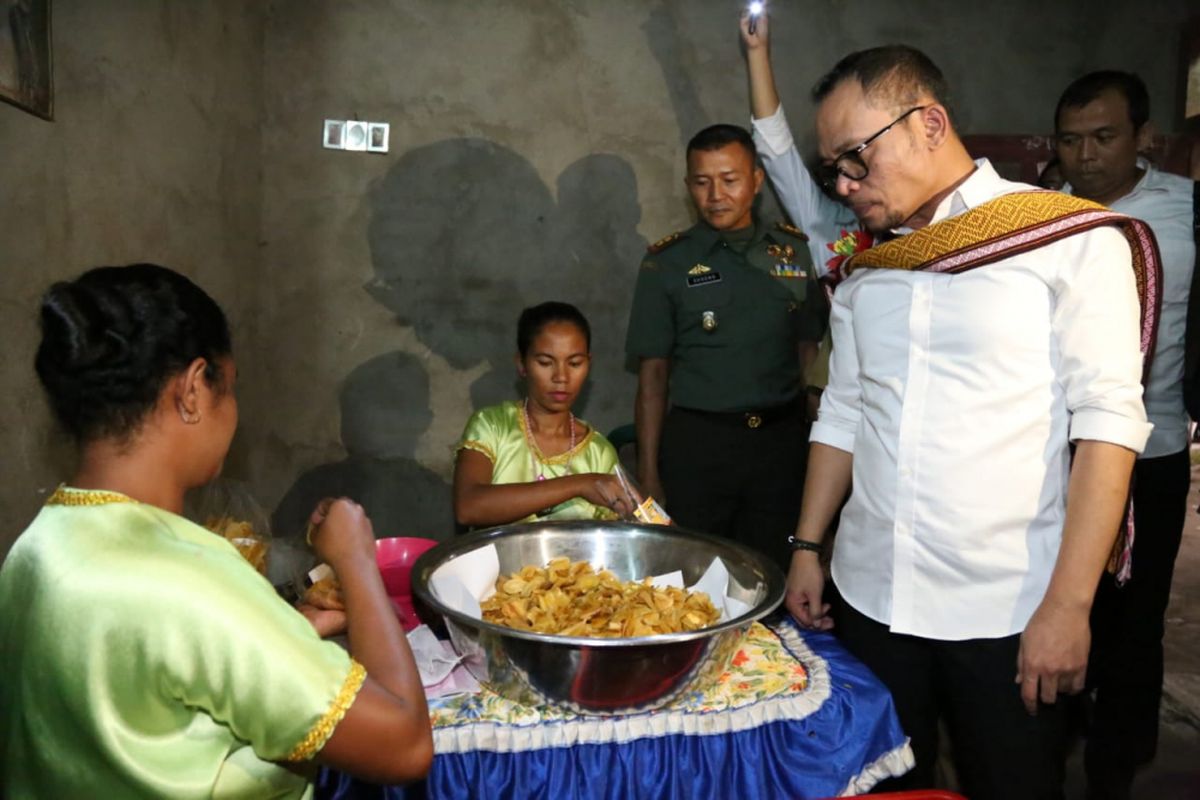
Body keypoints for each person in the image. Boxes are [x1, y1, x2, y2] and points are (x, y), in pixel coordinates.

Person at [782, 47, 1159, 799]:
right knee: (883, 789)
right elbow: (845, 413)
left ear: (929, 123)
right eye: (832, 171)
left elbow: (1109, 427)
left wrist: (1069, 607)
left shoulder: (1066, 241)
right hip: (871, 600)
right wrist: (806, 548)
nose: (846, 185)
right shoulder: (868, 274)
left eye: (856, 159)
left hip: (1008, 611)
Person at [0, 264, 432, 797]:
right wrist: (357, 561)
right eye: (228, 389)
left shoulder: (34, 548)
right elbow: (405, 745)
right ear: (193, 390)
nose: (232, 413)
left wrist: (287, 631)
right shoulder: (194, 575)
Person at [1054, 70, 1196, 800]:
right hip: (1066, 453)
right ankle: (1068, 724)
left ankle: (1119, 762)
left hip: (1156, 450)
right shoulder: (1044, 219)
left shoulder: (1187, 212)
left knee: (1137, 619)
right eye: (1072, 140)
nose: (1086, 156)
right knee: (1068, 597)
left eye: (1104, 137)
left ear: (1144, 139)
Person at [624, 123, 826, 571]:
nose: (715, 194)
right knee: (693, 577)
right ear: (687, 186)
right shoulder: (667, 263)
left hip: (779, 446)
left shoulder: (793, 253)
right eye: (702, 181)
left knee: (772, 573)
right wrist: (650, 471)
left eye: (730, 179)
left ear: (755, 181)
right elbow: (653, 377)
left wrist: (817, 448)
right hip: (700, 448)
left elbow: (810, 356)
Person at [453, 301, 634, 527]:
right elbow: (469, 507)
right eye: (545, 362)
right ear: (522, 364)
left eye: (575, 363)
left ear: (589, 364)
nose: (561, 377)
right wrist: (579, 484)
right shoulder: (492, 426)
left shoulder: (599, 453)